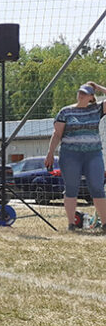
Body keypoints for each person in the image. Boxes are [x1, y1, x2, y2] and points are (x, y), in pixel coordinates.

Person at [45, 82, 106, 230]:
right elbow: (57, 134)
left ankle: (105, 224)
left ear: (91, 97)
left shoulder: (97, 109)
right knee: (71, 188)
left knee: (97, 188)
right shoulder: (65, 112)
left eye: (85, 93)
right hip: (70, 155)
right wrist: (50, 153)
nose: (81, 95)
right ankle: (71, 224)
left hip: (93, 154)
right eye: (80, 92)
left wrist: (97, 87)